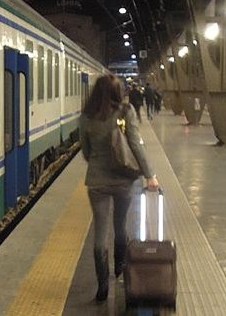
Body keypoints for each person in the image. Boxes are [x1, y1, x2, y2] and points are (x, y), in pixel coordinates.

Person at [80, 75, 160, 302]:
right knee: (121, 226)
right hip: (124, 181)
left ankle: (102, 286)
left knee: (100, 232)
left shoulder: (86, 116)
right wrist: (150, 176)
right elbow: (135, 144)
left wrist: (98, 162)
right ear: (118, 92)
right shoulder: (126, 112)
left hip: (97, 182)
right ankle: (120, 268)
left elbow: (85, 151)